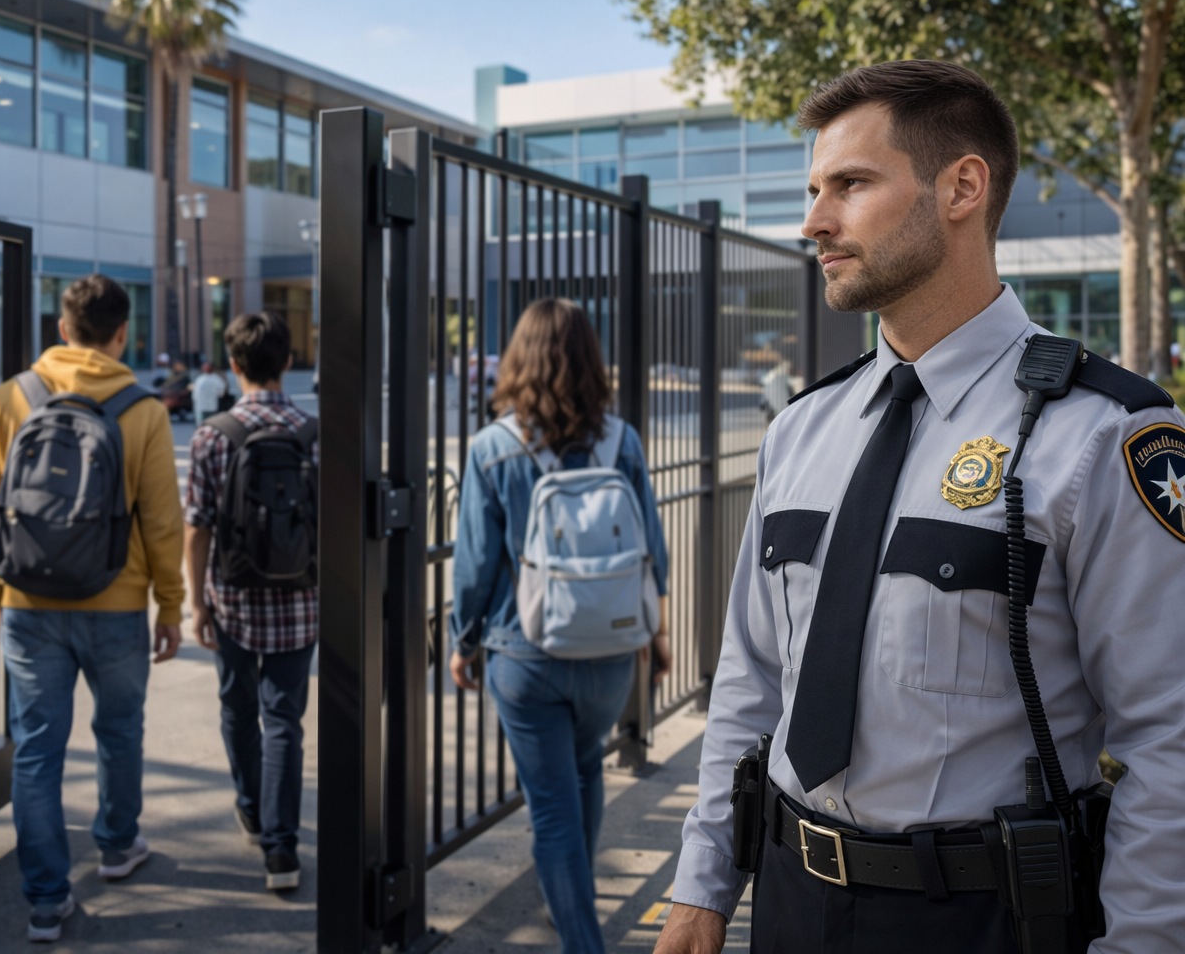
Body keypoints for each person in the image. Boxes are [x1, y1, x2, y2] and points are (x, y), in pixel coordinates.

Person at [657, 61, 1185, 954]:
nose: (813, 221)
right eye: (815, 188)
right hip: (788, 900)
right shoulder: (801, 429)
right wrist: (702, 884)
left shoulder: (1104, 433)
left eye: (852, 184)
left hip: (987, 919)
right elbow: (752, 679)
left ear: (962, 188)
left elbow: (1167, 738)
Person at [449, 298, 672, 954]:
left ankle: (582, 939)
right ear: (589, 358)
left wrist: (464, 640)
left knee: (550, 807)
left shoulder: (492, 448)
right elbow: (652, 549)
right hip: (609, 649)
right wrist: (657, 636)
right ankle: (569, 898)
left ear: (518, 358)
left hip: (526, 651)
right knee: (586, 770)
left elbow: (475, 565)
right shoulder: (620, 439)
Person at [0, 274, 186, 943]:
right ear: (123, 334)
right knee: (119, 732)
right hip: (116, 604)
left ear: (61, 328)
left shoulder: (12, 397)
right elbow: (162, 521)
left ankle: (44, 901)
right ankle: (118, 847)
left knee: (37, 751)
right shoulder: (142, 409)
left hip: (28, 602)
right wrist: (171, 604)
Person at [184, 311, 318, 891]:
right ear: (288, 363)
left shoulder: (215, 434)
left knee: (238, 709)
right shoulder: (315, 434)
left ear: (233, 366)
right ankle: (281, 851)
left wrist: (196, 604)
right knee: (283, 718)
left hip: (233, 601)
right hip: (301, 602)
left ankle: (252, 807)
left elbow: (197, 527)